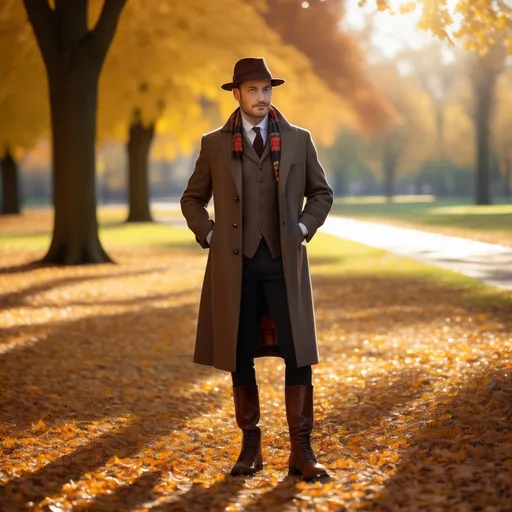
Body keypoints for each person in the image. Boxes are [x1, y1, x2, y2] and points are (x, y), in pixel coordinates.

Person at [180, 57, 333, 481]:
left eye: (267, 90)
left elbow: (321, 193)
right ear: (237, 94)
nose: (261, 97)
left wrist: (303, 227)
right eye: (253, 90)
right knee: (239, 353)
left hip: (284, 266)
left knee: (298, 354)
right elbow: (191, 199)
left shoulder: (299, 140)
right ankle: (251, 449)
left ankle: (302, 452)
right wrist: (209, 235)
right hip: (237, 269)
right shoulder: (214, 144)